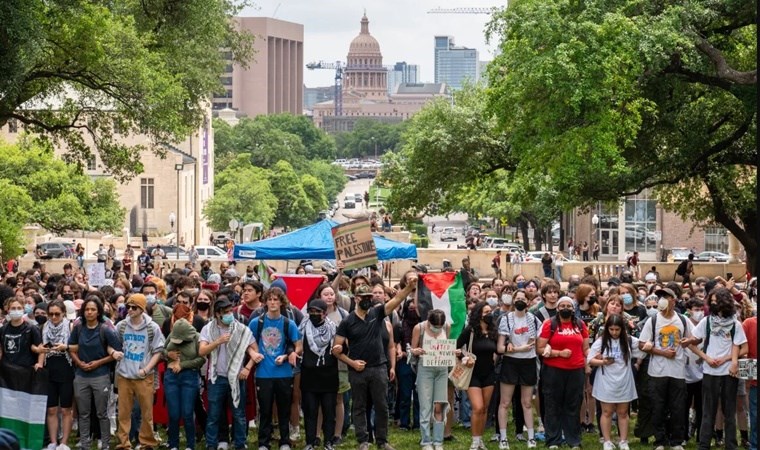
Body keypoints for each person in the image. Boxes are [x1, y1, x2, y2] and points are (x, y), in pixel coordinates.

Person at [332, 278, 417, 450]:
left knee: (382, 406)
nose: (368, 300)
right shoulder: (347, 322)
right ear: (356, 298)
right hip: (358, 371)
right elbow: (336, 350)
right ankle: (363, 440)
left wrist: (409, 287)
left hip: (379, 367)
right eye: (364, 297)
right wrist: (352, 363)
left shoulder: (377, 313)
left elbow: (396, 300)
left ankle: (382, 440)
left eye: (370, 297)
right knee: (359, 406)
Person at [682, 287, 747, 450]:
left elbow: (737, 345)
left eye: (715, 301)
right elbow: (693, 342)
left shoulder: (735, 323)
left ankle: (731, 444)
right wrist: (707, 358)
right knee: (708, 410)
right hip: (710, 371)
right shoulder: (707, 321)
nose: (713, 304)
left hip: (729, 372)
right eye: (711, 302)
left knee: (729, 410)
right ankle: (704, 445)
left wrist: (731, 361)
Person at [199, 296, 257, 450]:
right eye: (225, 312)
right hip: (217, 378)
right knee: (213, 414)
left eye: (230, 311)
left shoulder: (241, 329)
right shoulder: (208, 329)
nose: (229, 314)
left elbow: (255, 351)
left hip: (237, 377)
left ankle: (240, 444)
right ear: (217, 314)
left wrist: (247, 368)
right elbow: (201, 351)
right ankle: (211, 444)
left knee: (239, 414)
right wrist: (217, 342)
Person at [637, 287, 692, 450]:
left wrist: (687, 342)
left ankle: (676, 440)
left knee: (678, 407)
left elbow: (693, 338)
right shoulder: (653, 320)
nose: (663, 300)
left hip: (678, 372)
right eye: (660, 297)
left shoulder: (682, 320)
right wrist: (661, 352)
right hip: (657, 371)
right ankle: (659, 440)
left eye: (666, 297)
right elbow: (642, 344)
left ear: (674, 300)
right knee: (657, 406)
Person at [249, 287, 302, 450]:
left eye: (276, 299)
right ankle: (263, 442)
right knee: (264, 409)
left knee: (284, 408)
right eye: (270, 299)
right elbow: (248, 343)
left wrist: (288, 356)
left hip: (284, 372)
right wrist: (252, 353)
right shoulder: (256, 322)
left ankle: (284, 441)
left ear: (281, 302)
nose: (272, 302)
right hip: (263, 373)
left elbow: (299, 345)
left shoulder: (289, 323)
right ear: (265, 302)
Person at [110, 293, 165, 450]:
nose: (130, 310)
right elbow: (111, 344)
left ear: (142, 309)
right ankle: (123, 443)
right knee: (123, 413)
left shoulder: (151, 328)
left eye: (134, 307)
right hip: (124, 375)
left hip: (144, 376)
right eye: (128, 306)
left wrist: (147, 369)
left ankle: (147, 442)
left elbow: (158, 351)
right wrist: (114, 353)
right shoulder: (121, 326)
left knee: (146, 413)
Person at [68, 296, 121, 450]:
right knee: (83, 413)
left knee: (101, 413)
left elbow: (116, 352)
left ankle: (105, 444)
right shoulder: (78, 328)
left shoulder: (105, 329)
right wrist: (79, 363)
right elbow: (71, 348)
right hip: (81, 375)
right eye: (87, 309)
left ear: (98, 312)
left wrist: (98, 363)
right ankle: (85, 444)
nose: (89, 312)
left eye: (93, 310)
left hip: (101, 376)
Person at [536, 296, 590, 450]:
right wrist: (558, 353)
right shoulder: (549, 324)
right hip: (553, 371)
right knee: (553, 404)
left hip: (576, 370)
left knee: (573, 405)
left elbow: (585, 348)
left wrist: (592, 357)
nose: (565, 308)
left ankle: (573, 439)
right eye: (562, 305)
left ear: (573, 309)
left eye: (569, 305)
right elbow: (539, 349)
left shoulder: (580, 324)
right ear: (558, 308)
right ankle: (553, 439)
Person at [587, 314, 645, 450]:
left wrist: (647, 344)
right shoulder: (601, 341)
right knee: (606, 412)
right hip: (606, 381)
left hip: (624, 380)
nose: (614, 332)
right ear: (607, 329)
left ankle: (623, 440)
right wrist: (603, 362)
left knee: (623, 412)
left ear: (622, 329)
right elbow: (590, 360)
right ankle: (607, 441)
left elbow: (643, 348)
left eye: (617, 330)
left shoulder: (630, 341)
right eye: (611, 329)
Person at [496, 289, 540, 449]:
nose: (520, 301)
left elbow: (538, 342)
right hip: (511, 362)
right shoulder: (506, 319)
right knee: (505, 402)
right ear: (513, 300)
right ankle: (503, 437)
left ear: (528, 302)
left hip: (528, 362)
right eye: (517, 298)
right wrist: (517, 349)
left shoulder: (534, 320)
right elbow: (500, 348)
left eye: (523, 298)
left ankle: (531, 437)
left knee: (527, 403)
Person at [457, 301, 498, 450]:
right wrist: (464, 358)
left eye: (490, 311)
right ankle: (474, 441)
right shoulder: (471, 331)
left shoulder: (494, 331)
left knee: (484, 409)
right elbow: (457, 347)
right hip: (472, 373)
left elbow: (498, 350)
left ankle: (480, 439)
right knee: (477, 407)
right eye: (486, 312)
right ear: (479, 314)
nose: (489, 314)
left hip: (489, 373)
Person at [299, 299, 338, 450]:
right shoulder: (302, 327)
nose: (314, 314)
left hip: (329, 375)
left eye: (318, 312)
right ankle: (310, 441)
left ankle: (328, 441)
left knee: (329, 411)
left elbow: (342, 348)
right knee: (310, 411)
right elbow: (295, 344)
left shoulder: (333, 329)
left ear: (325, 313)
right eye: (311, 311)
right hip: (309, 376)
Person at [409, 309, 450, 450]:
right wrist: (416, 351)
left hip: (442, 369)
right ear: (429, 322)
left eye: (440, 326)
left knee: (440, 404)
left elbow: (447, 347)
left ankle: (438, 441)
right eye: (435, 326)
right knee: (425, 406)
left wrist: (452, 352)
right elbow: (411, 350)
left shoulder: (447, 327)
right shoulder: (419, 328)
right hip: (425, 368)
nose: (437, 329)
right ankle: (426, 441)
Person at [163, 318, 205, 450]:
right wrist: (167, 354)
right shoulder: (173, 333)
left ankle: (190, 445)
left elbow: (202, 359)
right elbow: (162, 350)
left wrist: (183, 365)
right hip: (171, 376)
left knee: (187, 413)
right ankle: (173, 444)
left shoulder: (197, 337)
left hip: (189, 377)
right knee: (174, 413)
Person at [41, 300, 75, 450]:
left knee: (66, 409)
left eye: (57, 314)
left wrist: (65, 347)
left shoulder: (70, 326)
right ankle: (53, 441)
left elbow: (76, 347)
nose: (53, 317)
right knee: (51, 409)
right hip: (49, 368)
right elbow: (41, 348)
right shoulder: (44, 327)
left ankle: (64, 442)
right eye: (51, 314)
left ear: (63, 314)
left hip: (66, 367)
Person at [742, 312, 757, 450]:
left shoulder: (748, 323)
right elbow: (744, 350)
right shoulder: (749, 323)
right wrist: (748, 378)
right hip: (755, 381)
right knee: (755, 415)